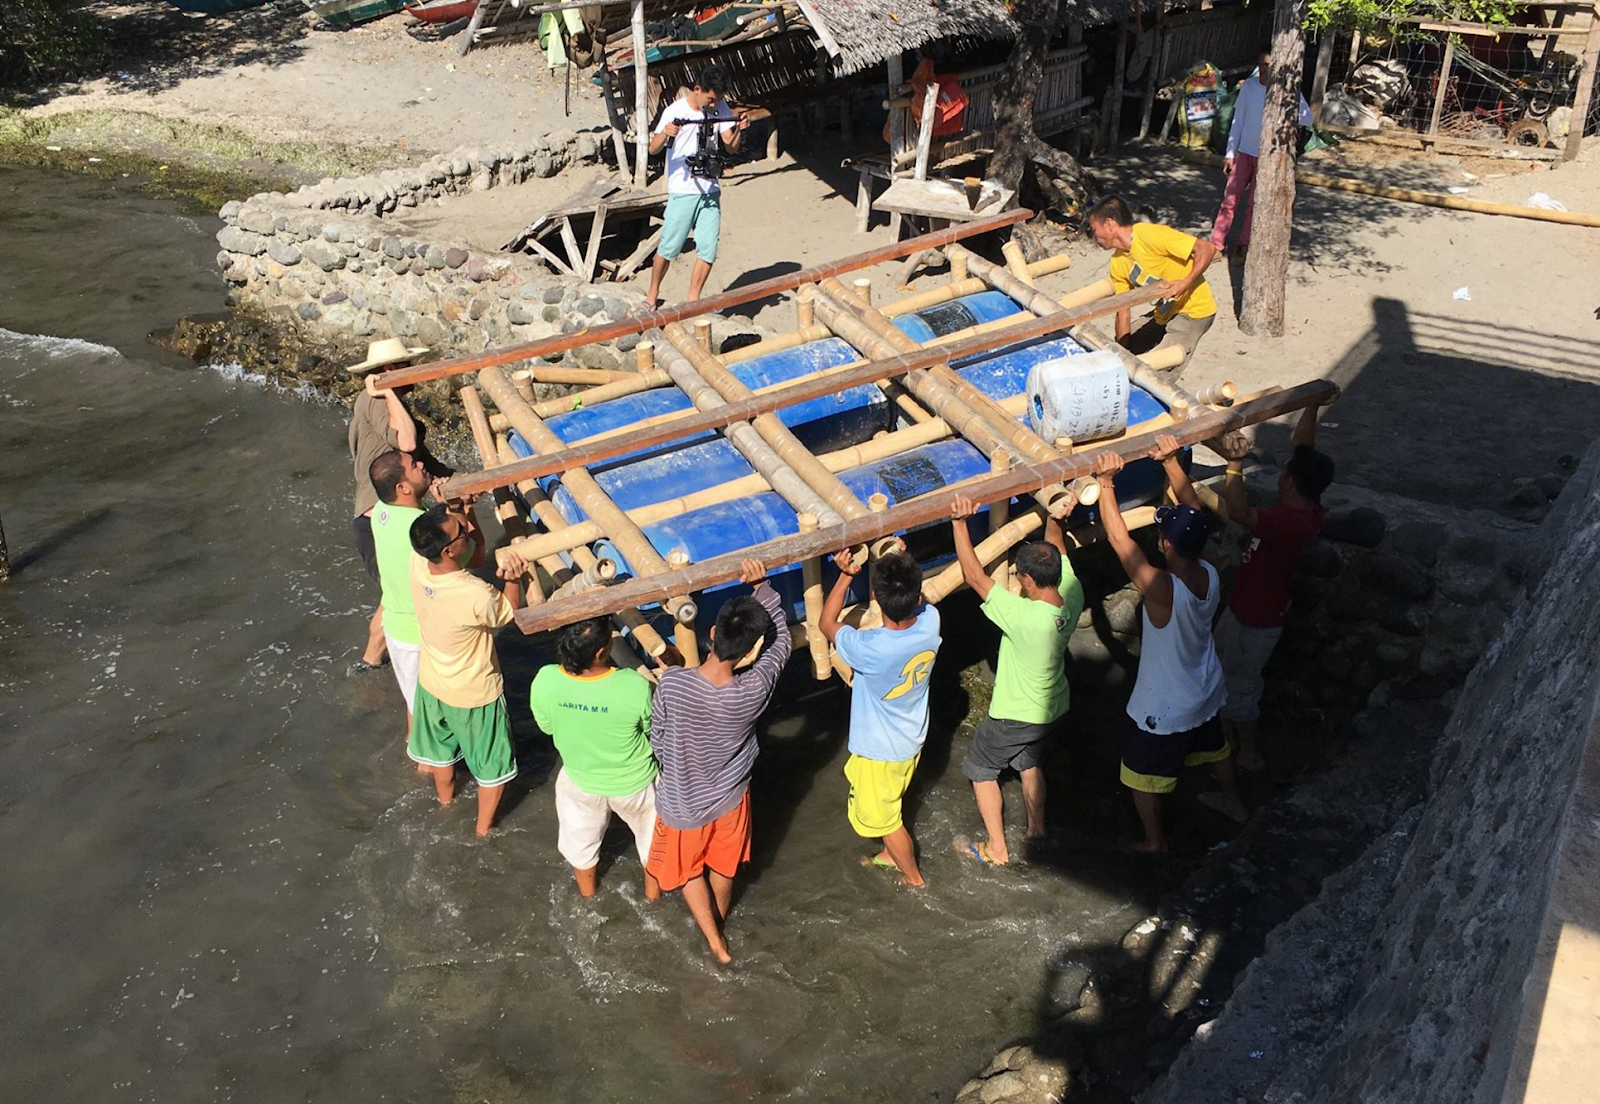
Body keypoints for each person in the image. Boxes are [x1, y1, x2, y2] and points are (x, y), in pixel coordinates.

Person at [1152, 407, 1334, 771]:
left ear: (1289, 483)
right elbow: (1303, 445)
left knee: (1240, 689)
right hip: (1249, 610)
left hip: (1254, 619)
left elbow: (1237, 512)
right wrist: (1313, 404)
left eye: (1284, 472)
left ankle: (1246, 754)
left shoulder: (1286, 521)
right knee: (1225, 675)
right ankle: (1228, 742)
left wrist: (1234, 465)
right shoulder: (1308, 507)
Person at [1092, 452, 1248, 853]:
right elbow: (1195, 513)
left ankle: (1154, 840)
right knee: (1216, 748)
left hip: (1165, 707)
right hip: (1206, 688)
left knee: (1138, 774)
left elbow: (1120, 541)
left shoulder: (1163, 589)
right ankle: (1233, 803)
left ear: (1164, 544)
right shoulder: (1211, 567)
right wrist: (1171, 463)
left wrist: (1105, 482)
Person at [646, 559, 790, 964]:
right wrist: (763, 586)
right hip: (730, 800)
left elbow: (658, 737)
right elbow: (781, 643)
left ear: (711, 633)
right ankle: (720, 923)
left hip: (683, 803)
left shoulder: (673, 683)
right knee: (724, 866)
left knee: (688, 870)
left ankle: (713, 938)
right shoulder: (752, 690)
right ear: (749, 651)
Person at [946, 493, 1085, 866]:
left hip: (1014, 714)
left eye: (1020, 576)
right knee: (1028, 762)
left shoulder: (1023, 617)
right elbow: (1057, 547)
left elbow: (974, 576)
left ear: (1028, 580)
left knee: (980, 769)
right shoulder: (1072, 596)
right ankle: (1036, 829)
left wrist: (958, 523)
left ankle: (997, 848)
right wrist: (1056, 516)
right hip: (1052, 707)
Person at [819, 547, 942, 888]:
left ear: (874, 596)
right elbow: (919, 600)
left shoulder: (868, 647)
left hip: (881, 752)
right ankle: (890, 854)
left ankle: (914, 878)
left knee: (886, 821)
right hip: (911, 737)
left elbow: (826, 623)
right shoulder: (931, 622)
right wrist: (905, 559)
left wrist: (845, 575)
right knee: (893, 798)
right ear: (917, 595)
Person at [407, 504, 529, 837]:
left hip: (432, 684)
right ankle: (482, 830)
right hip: (475, 695)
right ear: (448, 550)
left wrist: (461, 512)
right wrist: (513, 579)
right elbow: (509, 613)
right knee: (492, 768)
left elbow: (466, 555)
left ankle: (445, 804)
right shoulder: (474, 593)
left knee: (441, 756)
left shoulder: (418, 563)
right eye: (461, 531)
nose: (467, 531)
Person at [530, 618, 661, 900]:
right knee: (653, 845)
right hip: (635, 784)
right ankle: (653, 899)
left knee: (581, 847)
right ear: (601, 652)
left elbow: (547, 727)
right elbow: (651, 730)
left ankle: (588, 897)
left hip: (580, 779)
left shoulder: (545, 678)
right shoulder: (634, 684)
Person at [346, 339, 450, 676]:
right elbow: (406, 442)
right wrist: (387, 390)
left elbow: (420, 459)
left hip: (383, 516)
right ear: (390, 370)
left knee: (395, 597)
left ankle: (371, 663)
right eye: (406, 366)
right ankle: (376, 662)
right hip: (381, 519)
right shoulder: (375, 401)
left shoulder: (388, 405)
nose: (413, 372)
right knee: (399, 598)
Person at [643, 65, 749, 309]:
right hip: (683, 189)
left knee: (708, 248)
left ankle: (693, 299)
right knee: (669, 247)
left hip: (710, 187)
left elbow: (730, 146)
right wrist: (666, 132)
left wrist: (739, 130)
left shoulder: (719, 106)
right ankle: (652, 294)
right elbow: (653, 148)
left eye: (718, 100)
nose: (714, 104)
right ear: (697, 89)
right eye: (710, 99)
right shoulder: (675, 110)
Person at [1087, 195, 1218, 373]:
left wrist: (1184, 283)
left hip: (1193, 311)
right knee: (1118, 350)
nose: (1094, 236)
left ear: (1109, 224)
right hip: (1163, 313)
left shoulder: (1149, 235)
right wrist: (1122, 355)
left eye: (1094, 229)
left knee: (1158, 371)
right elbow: (1123, 311)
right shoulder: (1118, 262)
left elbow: (1207, 248)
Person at [1211, 51, 1313, 259]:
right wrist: (1230, 153)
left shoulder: (1285, 90)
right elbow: (1238, 121)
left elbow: (1307, 118)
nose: (1264, 69)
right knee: (1229, 200)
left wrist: (1286, 109)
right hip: (1243, 153)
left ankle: (1243, 244)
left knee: (1254, 204)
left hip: (1267, 156)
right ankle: (1216, 244)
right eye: (1261, 64)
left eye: (1268, 65)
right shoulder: (1249, 87)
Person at [368, 449, 438, 737]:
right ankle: (421, 757)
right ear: (403, 488)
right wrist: (457, 510)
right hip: (419, 634)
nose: (421, 464)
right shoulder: (419, 527)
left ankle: (415, 751)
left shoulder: (380, 511)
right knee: (429, 712)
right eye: (413, 465)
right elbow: (466, 556)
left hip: (397, 628)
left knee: (415, 703)